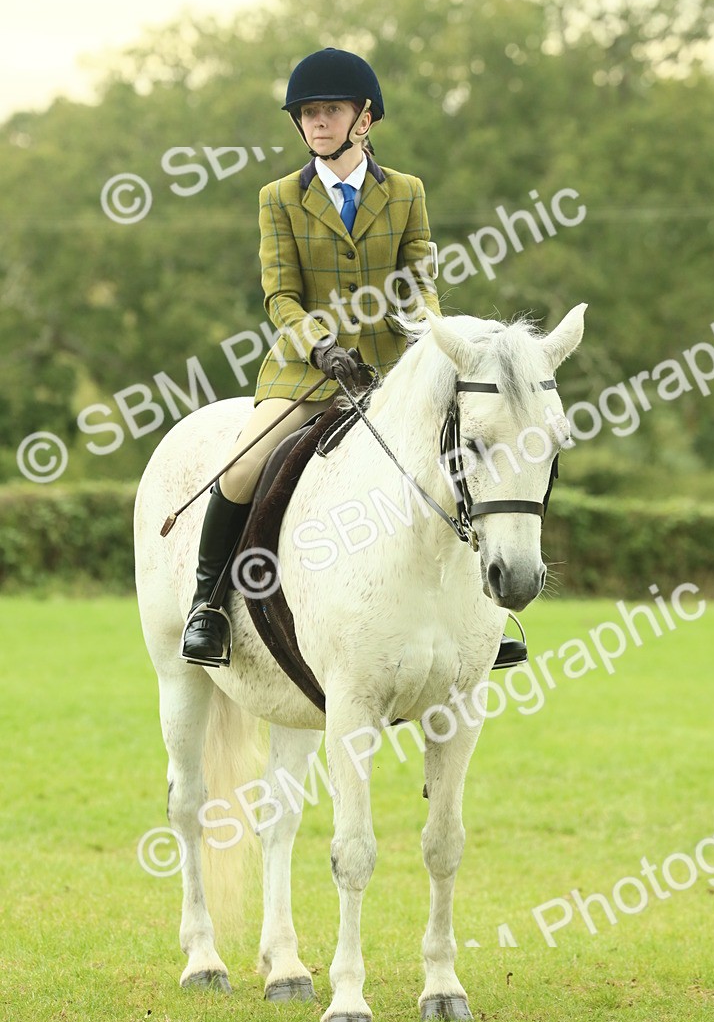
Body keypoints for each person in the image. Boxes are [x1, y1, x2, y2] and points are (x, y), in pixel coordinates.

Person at [180, 46, 527, 671]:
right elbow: (279, 293)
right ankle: (208, 605)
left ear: (363, 120)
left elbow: (420, 278)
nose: (316, 122)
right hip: (306, 371)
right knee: (239, 470)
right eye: (308, 113)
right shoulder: (279, 197)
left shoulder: (405, 193)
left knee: (466, 459)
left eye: (329, 110)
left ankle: (486, 619)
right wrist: (319, 344)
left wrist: (433, 338)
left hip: (393, 372)